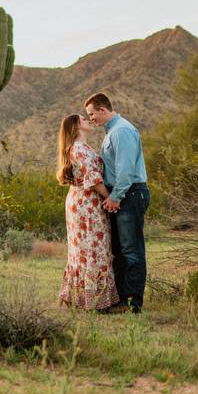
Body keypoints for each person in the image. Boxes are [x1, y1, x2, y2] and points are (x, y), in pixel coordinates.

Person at [84, 93, 150, 314]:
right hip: (123, 194)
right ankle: (120, 299)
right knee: (120, 251)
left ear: (103, 110)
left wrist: (115, 196)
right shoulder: (112, 131)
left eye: (92, 114)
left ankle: (132, 303)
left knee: (131, 251)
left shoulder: (121, 131)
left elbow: (126, 170)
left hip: (129, 193)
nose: (91, 118)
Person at [56, 114, 120, 312]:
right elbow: (94, 180)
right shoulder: (79, 149)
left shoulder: (82, 148)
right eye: (84, 119)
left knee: (85, 250)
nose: (88, 120)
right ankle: (95, 301)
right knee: (93, 248)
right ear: (76, 127)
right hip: (86, 204)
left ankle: (83, 297)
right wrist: (111, 198)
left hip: (82, 202)